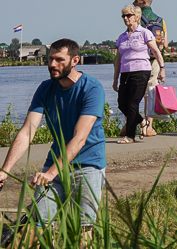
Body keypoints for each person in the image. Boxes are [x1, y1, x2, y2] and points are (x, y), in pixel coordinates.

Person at [0, 39, 106, 237]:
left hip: (88, 165)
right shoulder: (46, 89)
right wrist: (4, 171)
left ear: (75, 60)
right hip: (54, 165)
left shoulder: (92, 88)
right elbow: (27, 132)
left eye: (59, 60)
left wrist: (50, 173)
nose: (52, 65)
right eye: (50, 59)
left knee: (82, 232)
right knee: (35, 226)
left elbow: (80, 138)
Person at [113, 4, 165, 143]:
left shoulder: (144, 33)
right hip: (125, 72)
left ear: (137, 17)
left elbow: (155, 51)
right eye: (123, 16)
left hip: (141, 71)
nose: (125, 18)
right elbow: (117, 60)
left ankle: (130, 136)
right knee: (121, 104)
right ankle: (142, 122)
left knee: (132, 103)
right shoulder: (122, 36)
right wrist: (115, 79)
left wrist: (162, 68)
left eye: (128, 15)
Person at [134, 0, 168, 136]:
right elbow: (165, 43)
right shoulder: (160, 20)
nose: (133, 2)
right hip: (154, 60)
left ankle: (132, 125)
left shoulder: (136, 19)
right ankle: (149, 127)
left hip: (138, 61)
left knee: (134, 93)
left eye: (136, 1)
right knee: (151, 93)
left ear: (142, 2)